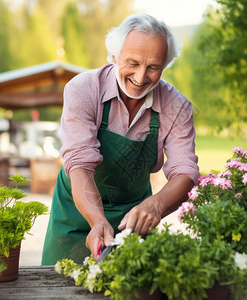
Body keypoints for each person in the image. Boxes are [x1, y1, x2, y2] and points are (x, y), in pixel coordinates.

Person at [41, 13, 200, 265]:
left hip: (136, 217)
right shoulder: (83, 90)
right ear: (114, 56)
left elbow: (185, 171)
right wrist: (97, 221)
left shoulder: (177, 106)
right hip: (76, 212)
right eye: (132, 63)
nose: (140, 77)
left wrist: (156, 205)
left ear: (164, 66)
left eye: (153, 67)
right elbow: (80, 165)